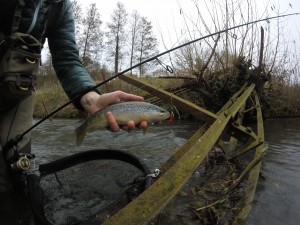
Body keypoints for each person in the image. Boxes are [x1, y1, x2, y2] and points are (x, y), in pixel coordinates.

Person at [0, 0, 147, 224]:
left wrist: (92, 99)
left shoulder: (60, 7)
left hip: (18, 88)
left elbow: (67, 60)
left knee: (15, 175)